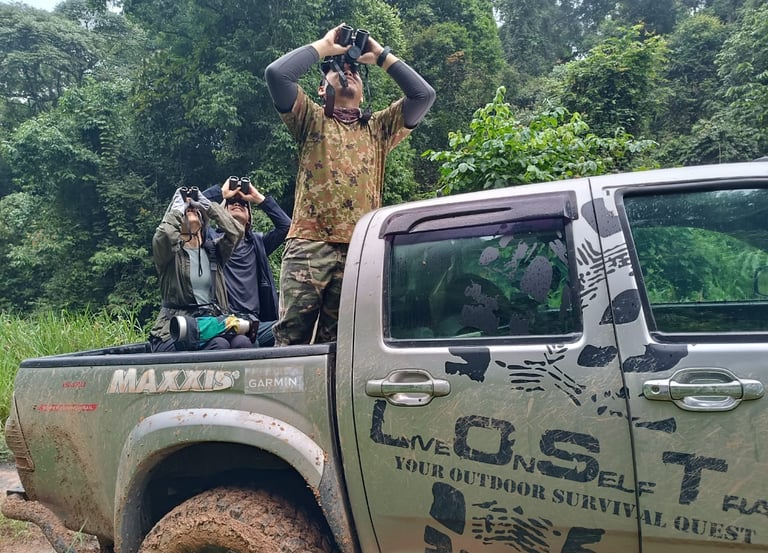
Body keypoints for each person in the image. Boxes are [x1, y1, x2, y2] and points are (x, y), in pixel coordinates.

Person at [265, 23, 435, 345]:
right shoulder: (311, 118)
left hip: (360, 251)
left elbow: (423, 95)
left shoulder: (380, 128)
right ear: (320, 89)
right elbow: (277, 75)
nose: (348, 72)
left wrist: (381, 55)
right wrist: (326, 47)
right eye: (337, 70)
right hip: (309, 245)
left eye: (354, 70)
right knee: (291, 341)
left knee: (343, 347)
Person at [148, 186, 250, 352]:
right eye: (185, 211)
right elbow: (165, 234)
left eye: (195, 210)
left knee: (242, 342)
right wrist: (177, 208)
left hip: (210, 325)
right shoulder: (170, 254)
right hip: (175, 331)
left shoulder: (213, 252)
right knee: (220, 345)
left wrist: (208, 205)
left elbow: (236, 231)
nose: (190, 210)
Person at [202, 177, 291, 346]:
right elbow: (193, 210)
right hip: (224, 321)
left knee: (289, 329)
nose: (237, 203)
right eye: (231, 203)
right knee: (246, 343)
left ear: (249, 218)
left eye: (243, 204)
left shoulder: (258, 244)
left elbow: (286, 227)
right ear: (221, 214)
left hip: (254, 322)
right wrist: (221, 193)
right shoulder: (211, 242)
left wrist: (259, 198)